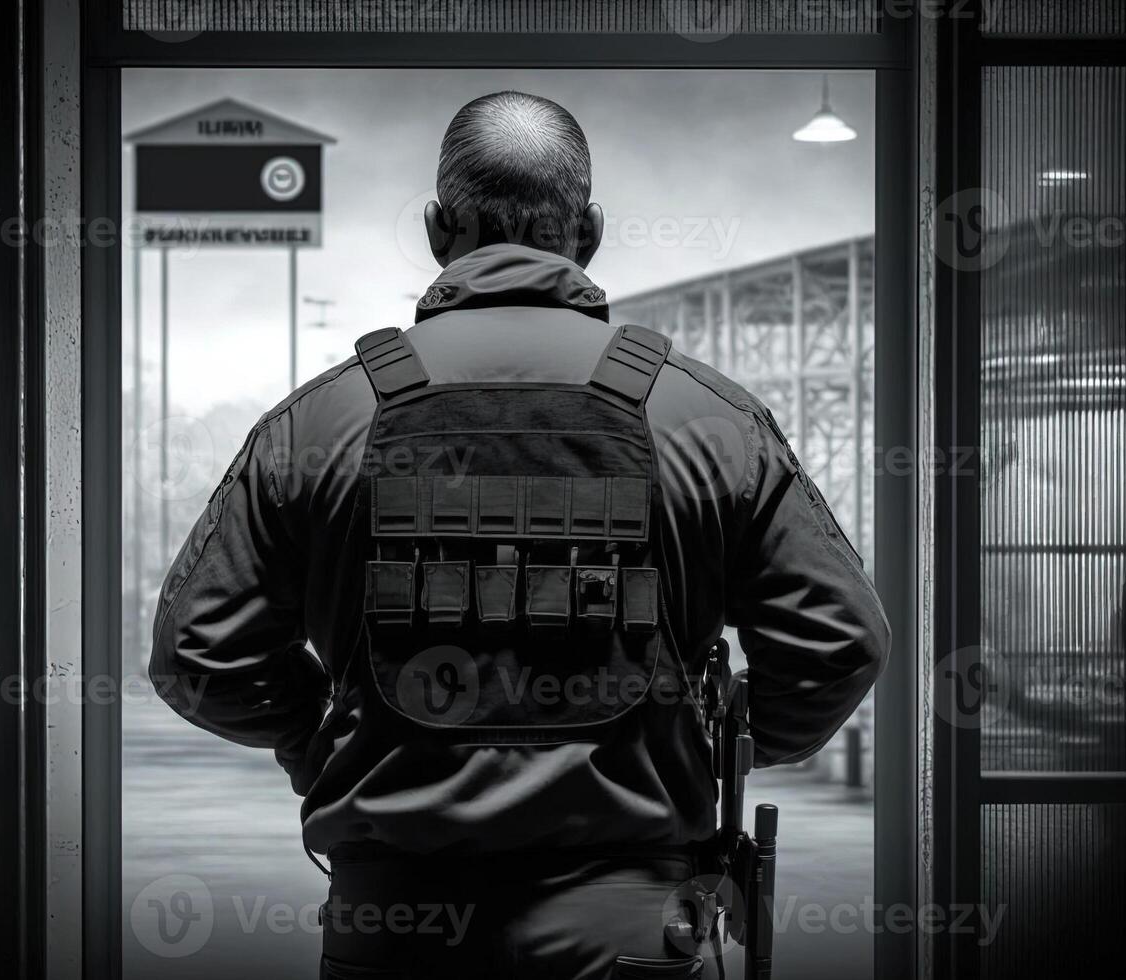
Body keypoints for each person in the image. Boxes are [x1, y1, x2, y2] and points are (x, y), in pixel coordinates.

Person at [150, 90, 889, 980]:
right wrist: (698, 744)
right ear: (593, 229)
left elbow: (196, 652)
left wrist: (323, 745)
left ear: (434, 228)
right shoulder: (705, 419)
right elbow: (842, 642)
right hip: (633, 930)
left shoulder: (323, 422)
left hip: (395, 930)